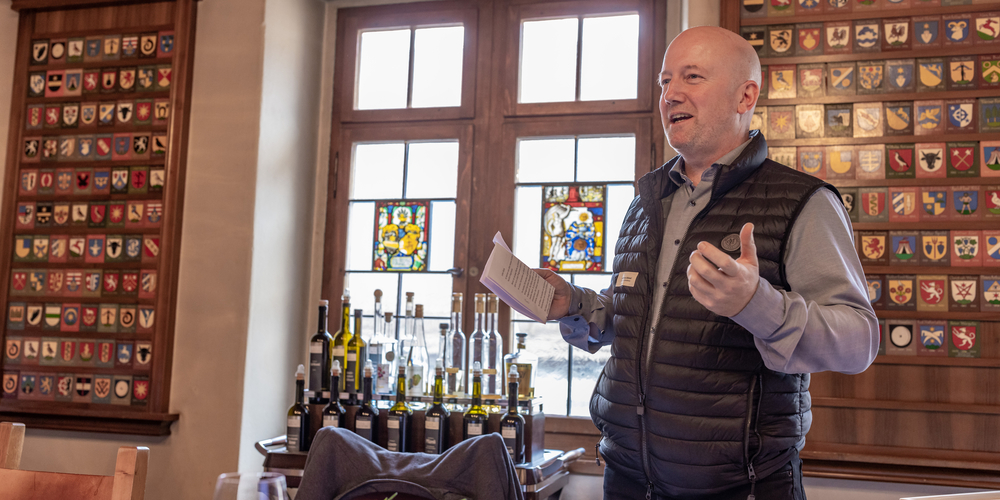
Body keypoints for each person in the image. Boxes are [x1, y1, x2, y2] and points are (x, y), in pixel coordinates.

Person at [534, 26, 878, 500]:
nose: (671, 94)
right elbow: (642, 323)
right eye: (664, 82)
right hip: (628, 480)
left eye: (692, 77)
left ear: (745, 96)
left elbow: (859, 341)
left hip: (744, 488)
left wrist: (757, 304)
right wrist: (575, 303)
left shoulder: (804, 201)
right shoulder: (646, 201)